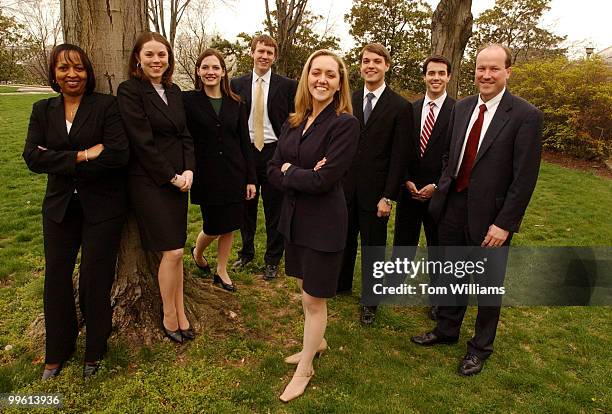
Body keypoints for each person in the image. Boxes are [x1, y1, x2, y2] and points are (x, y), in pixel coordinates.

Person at [411, 44, 542, 376]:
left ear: (507, 72)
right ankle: (446, 329)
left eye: (494, 69)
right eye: (481, 68)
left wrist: (505, 224)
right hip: (453, 206)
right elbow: (449, 157)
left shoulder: (525, 116)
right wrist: (443, 188)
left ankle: (480, 348)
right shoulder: (463, 107)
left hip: (492, 218)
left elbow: (524, 178)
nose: (486, 74)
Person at [23, 44, 129, 379]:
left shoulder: (106, 106)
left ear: (88, 72)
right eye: (64, 68)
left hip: (103, 207)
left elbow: (117, 155)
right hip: (59, 207)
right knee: (56, 279)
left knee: (94, 282)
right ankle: (57, 350)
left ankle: (94, 351)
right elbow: (32, 157)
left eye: (79, 68)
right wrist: (82, 156)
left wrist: (57, 157)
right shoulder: (43, 110)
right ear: (53, 73)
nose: (72, 74)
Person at [268, 49, 359, 402]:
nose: (322, 80)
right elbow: (272, 169)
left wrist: (292, 170)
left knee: (313, 298)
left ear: (339, 84)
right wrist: (297, 171)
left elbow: (325, 181)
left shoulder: (345, 124)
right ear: (307, 77)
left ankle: (305, 367)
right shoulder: (294, 120)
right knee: (307, 290)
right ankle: (316, 343)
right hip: (295, 221)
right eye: (315, 73)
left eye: (330, 75)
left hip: (324, 223)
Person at [117, 32, 196, 344]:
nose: (156, 60)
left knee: (175, 252)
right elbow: (142, 142)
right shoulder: (130, 91)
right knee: (174, 250)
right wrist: (171, 176)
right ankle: (168, 313)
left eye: (161, 55)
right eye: (149, 54)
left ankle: (181, 310)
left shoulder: (174, 91)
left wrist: (189, 169)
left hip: (181, 180)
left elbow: (185, 135)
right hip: (150, 181)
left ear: (169, 58)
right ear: (138, 58)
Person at [337, 43, 413, 325]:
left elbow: (399, 156)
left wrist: (388, 196)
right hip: (345, 188)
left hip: (376, 193)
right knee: (344, 240)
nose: (370, 65)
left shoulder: (400, 106)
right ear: (360, 66)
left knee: (373, 247)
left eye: (376, 61)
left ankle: (370, 301)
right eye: (366, 61)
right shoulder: (348, 99)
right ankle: (341, 284)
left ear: (386, 66)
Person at [183, 49, 256, 292]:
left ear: (223, 72)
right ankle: (198, 251)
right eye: (205, 67)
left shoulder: (236, 102)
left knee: (231, 224)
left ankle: (221, 270)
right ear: (198, 71)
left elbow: (245, 142)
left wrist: (250, 179)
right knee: (213, 225)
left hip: (234, 172)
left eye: (215, 67)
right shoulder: (188, 101)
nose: (210, 72)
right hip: (206, 174)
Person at [393, 55, 456, 321]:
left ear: (449, 77)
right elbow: (402, 148)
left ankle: (438, 297)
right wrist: (406, 179)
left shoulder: (458, 111)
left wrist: (436, 186)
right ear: (424, 76)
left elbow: (456, 154)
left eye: (441, 73)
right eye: (431, 73)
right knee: (403, 240)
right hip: (409, 189)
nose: (436, 78)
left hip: (438, 191)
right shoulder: (411, 108)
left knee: (437, 245)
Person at [230, 35, 298, 280]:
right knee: (246, 207)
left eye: (269, 53)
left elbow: (295, 120)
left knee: (274, 209)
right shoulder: (236, 84)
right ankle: (246, 253)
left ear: (274, 57)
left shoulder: (287, 85)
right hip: (246, 152)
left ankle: (272, 259)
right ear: (252, 52)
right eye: (261, 51)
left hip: (274, 152)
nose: (264, 56)